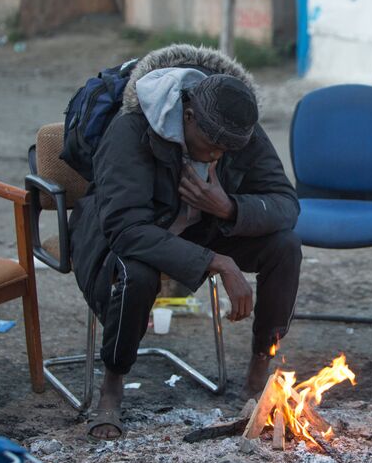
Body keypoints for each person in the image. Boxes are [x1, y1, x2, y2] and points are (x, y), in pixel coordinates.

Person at [68, 44, 302, 441]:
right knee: (137, 273)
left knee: (285, 246)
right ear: (187, 115)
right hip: (120, 234)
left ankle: (260, 368)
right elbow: (126, 228)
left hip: (201, 226)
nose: (216, 156)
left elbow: (285, 203)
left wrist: (228, 207)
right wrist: (219, 262)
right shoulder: (134, 128)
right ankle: (112, 385)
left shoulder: (234, 127)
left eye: (227, 150)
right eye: (211, 145)